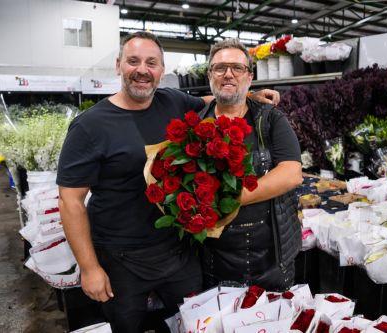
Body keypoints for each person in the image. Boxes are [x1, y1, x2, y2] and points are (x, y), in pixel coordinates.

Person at [56, 31, 280, 333]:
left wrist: (250, 95)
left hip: (178, 252)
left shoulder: (171, 101)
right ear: (119, 65)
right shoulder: (90, 125)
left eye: (152, 63)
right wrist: (89, 268)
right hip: (121, 259)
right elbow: (70, 201)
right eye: (133, 61)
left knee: (191, 324)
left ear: (162, 70)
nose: (142, 70)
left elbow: (210, 99)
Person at [200, 38, 303, 291]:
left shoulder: (270, 119)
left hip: (268, 257)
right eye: (220, 68)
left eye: (237, 68)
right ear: (209, 74)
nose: (228, 74)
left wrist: (229, 199)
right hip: (211, 257)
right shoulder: (196, 121)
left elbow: (291, 173)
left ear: (250, 76)